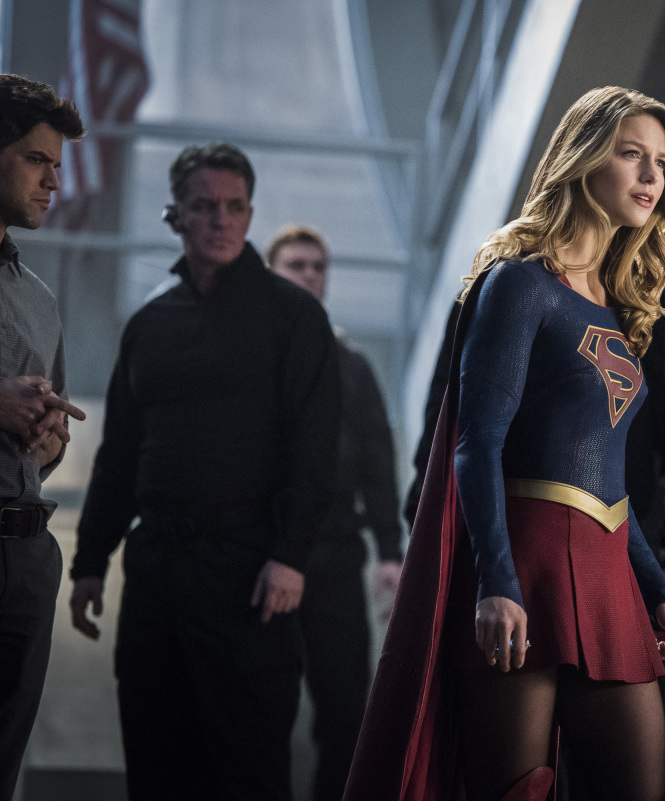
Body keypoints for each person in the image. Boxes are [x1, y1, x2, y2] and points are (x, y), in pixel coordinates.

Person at [345, 86, 665, 801]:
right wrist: (498, 582)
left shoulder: (622, 309)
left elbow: (608, 481)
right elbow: (476, 445)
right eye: (631, 154)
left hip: (608, 573)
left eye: (661, 162)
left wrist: (658, 591)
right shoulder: (519, 283)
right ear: (584, 158)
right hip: (525, 566)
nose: (650, 175)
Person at [68, 143, 340, 801]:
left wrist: (290, 554)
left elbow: (314, 447)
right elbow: (120, 450)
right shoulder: (151, 322)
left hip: (250, 572)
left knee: (248, 772)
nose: (220, 219)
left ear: (249, 214)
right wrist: (90, 559)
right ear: (176, 215)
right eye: (204, 206)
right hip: (158, 571)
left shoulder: (294, 316)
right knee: (157, 767)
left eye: (234, 206)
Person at [405, 287, 665, 801]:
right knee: (516, 784)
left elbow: (631, 470)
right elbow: (464, 438)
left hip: (613, 565)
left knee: (648, 775)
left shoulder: (652, 304)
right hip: (520, 560)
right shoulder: (509, 286)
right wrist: (483, 575)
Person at [0, 72, 87, 801]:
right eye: (36, 160)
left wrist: (48, 439)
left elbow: (46, 447)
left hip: (24, 555)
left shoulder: (37, 298)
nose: (54, 181)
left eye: (57, 164)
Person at [267, 226, 403, 801]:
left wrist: (390, 552)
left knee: (347, 712)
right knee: (257, 714)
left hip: (335, 555)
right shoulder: (249, 358)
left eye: (317, 266)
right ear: (271, 273)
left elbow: (377, 460)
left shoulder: (350, 366)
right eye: (295, 265)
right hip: (259, 554)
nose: (309, 275)